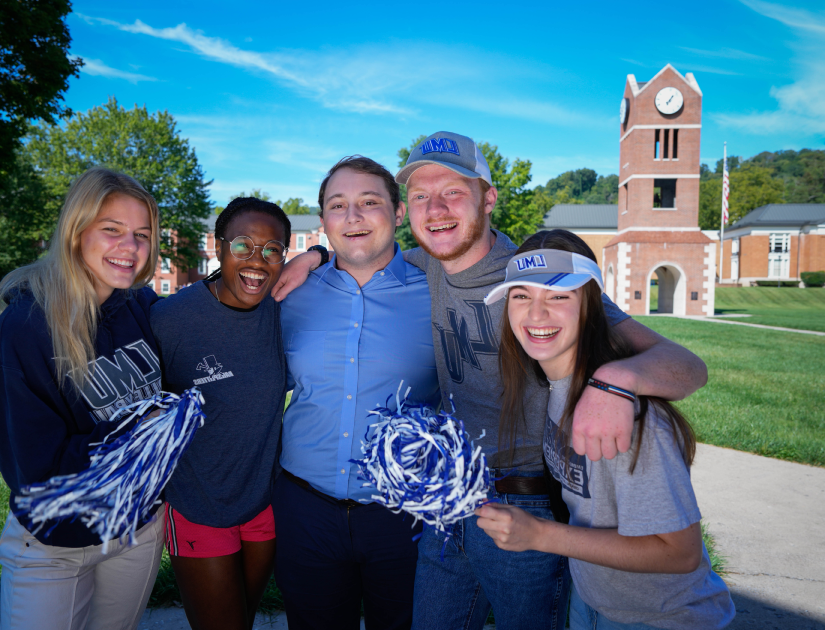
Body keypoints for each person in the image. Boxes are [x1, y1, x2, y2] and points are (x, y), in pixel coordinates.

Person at [274, 131, 709, 629]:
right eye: (421, 196)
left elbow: (685, 365)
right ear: (406, 211)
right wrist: (312, 258)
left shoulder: (533, 279)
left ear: (488, 197)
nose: (436, 209)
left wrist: (615, 382)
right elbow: (361, 253)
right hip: (442, 498)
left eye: (454, 192)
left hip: (523, 502)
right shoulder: (421, 265)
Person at [475, 229, 734, 630]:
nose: (536, 314)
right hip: (594, 602)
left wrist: (540, 535)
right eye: (521, 296)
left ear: (591, 308)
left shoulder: (625, 417)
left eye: (558, 296)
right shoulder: (557, 388)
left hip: (662, 618)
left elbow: (678, 553)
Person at [0, 167, 165, 630]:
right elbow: (32, 468)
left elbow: (216, 303)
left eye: (142, 234)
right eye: (112, 230)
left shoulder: (139, 307)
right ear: (76, 232)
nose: (130, 248)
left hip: (137, 530)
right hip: (55, 543)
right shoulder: (26, 327)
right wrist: (146, 430)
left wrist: (316, 255)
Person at [273, 156, 438, 630]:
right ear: (322, 220)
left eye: (369, 202)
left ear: (400, 211)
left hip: (405, 517)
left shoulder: (438, 291)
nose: (353, 217)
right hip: (305, 510)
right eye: (338, 205)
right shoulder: (289, 294)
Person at [149, 197, 290, 630]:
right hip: (198, 503)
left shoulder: (283, 313)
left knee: (241, 619)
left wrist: (319, 254)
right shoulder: (170, 319)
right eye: (243, 245)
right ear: (217, 245)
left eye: (272, 251)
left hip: (264, 503)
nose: (257, 261)